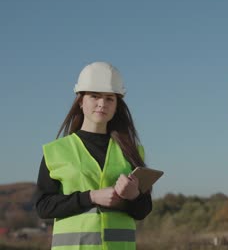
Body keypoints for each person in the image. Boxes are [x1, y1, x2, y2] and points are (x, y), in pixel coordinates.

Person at [35, 62, 152, 250]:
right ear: (81, 101)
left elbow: (143, 210)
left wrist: (134, 196)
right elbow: (43, 206)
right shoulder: (55, 151)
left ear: (116, 105)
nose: (102, 104)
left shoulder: (132, 151)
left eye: (109, 99)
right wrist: (91, 197)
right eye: (94, 96)